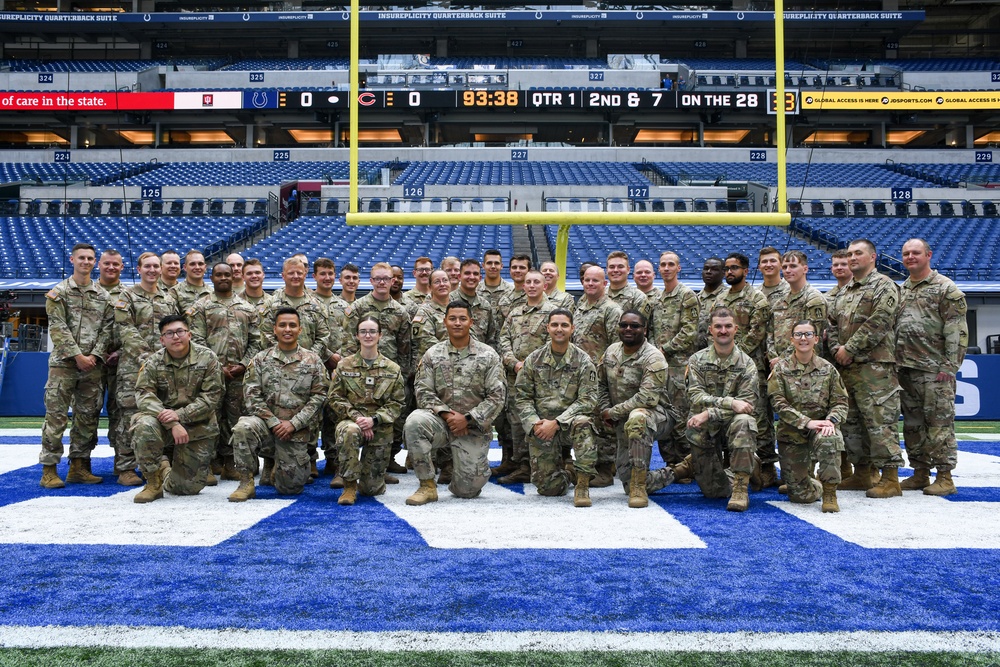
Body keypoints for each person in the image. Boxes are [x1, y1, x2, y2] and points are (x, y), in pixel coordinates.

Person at [404, 302, 506, 505]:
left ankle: (470, 467)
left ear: (471, 322)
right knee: (414, 421)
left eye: (462, 319)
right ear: (445, 322)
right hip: (441, 422)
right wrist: (447, 415)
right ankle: (427, 485)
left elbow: (497, 396)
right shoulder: (433, 354)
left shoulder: (488, 356)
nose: (457, 323)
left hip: (473, 428)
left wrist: (467, 419)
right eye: (452, 319)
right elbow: (423, 391)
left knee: (466, 490)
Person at [828, 239, 904, 498]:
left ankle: (891, 478)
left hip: (875, 369)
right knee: (851, 424)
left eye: (858, 253)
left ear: (873, 256)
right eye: (849, 254)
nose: (852, 258)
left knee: (880, 422)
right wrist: (837, 348)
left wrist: (849, 349)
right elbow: (830, 325)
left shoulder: (884, 285)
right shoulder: (844, 290)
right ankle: (862, 473)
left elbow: (880, 322)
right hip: (847, 369)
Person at [229, 308, 329, 500]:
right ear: (274, 329)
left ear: (300, 329)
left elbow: (319, 396)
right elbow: (252, 396)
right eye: (282, 325)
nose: (287, 329)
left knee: (290, 488)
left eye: (292, 325)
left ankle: (276, 465)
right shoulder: (260, 359)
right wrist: (274, 422)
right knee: (243, 427)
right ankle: (246, 482)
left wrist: (294, 423)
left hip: (296, 430)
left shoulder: (313, 360)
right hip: (267, 426)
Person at [38, 243, 114, 489]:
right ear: (72, 259)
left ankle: (79, 466)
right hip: (64, 365)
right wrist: (78, 356)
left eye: (90, 258)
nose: (86, 262)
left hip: (93, 366)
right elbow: (58, 329)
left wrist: (94, 355)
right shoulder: (58, 293)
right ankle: (49, 469)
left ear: (95, 263)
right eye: (81, 257)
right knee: (56, 417)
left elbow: (107, 330)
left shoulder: (103, 296)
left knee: (87, 417)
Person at [896, 238, 968, 496]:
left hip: (934, 370)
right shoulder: (902, 289)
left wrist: (950, 367)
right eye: (906, 254)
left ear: (928, 255)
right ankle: (920, 472)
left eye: (916, 252)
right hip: (906, 369)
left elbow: (957, 331)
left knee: (939, 425)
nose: (910, 257)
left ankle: (945, 476)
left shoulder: (945, 288)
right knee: (913, 425)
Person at [131, 315, 224, 503]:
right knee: (144, 424)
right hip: (163, 424)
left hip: (198, 424)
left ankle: (165, 468)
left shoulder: (208, 358)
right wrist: (173, 422)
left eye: (180, 331)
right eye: (169, 333)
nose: (176, 337)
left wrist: (180, 415)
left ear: (189, 334)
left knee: (186, 489)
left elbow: (211, 398)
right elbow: (143, 394)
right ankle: (152, 483)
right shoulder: (153, 362)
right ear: (162, 339)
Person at [515, 309, 598, 506]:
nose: (559, 329)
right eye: (554, 325)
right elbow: (522, 397)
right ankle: (569, 472)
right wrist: (535, 423)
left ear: (572, 329)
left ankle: (582, 485)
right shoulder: (534, 360)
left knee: (584, 423)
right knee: (548, 489)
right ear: (547, 328)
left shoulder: (583, 360)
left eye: (564, 325)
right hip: (543, 427)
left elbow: (588, 399)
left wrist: (558, 422)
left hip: (570, 424)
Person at [187, 262, 261, 481]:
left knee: (235, 418)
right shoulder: (201, 306)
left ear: (233, 276)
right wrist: (217, 366)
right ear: (212, 278)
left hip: (239, 374)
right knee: (208, 417)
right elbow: (197, 340)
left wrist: (243, 364)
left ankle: (231, 462)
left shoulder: (247, 307)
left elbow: (257, 341)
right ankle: (207, 465)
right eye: (218, 275)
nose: (223, 278)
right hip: (208, 374)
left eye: (227, 274)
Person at [683, 307, 759, 512]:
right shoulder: (697, 360)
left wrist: (710, 412)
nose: (723, 331)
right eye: (718, 326)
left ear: (736, 329)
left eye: (727, 326)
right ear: (710, 330)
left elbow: (747, 406)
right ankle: (753, 465)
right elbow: (696, 397)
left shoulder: (747, 364)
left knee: (744, 421)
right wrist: (730, 402)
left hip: (730, 423)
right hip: (706, 428)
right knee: (714, 492)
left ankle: (741, 489)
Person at [597, 310, 675, 508]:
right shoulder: (611, 351)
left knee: (638, 417)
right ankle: (681, 470)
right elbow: (601, 385)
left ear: (645, 329)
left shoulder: (653, 357)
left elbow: (647, 398)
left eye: (634, 326)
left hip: (657, 415)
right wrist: (605, 408)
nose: (628, 329)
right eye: (624, 325)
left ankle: (640, 486)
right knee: (626, 481)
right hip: (624, 418)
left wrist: (612, 413)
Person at [768, 320, 848, 512]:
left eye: (808, 334)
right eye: (798, 335)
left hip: (820, 429)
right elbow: (778, 403)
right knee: (799, 496)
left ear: (816, 339)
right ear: (792, 339)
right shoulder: (780, 369)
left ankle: (829, 492)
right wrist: (806, 422)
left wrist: (831, 421)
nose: (803, 338)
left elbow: (841, 402)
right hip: (793, 433)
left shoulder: (828, 369)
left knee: (831, 436)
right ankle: (812, 483)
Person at [712, 252, 776, 489]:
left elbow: (757, 333)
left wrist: (733, 356)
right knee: (728, 415)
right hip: (722, 370)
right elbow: (716, 331)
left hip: (751, 368)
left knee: (758, 418)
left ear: (746, 271)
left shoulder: (756, 299)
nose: (730, 272)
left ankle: (766, 467)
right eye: (727, 268)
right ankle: (734, 464)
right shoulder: (721, 298)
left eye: (735, 268)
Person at [114, 251, 178, 486]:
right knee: (129, 416)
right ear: (139, 269)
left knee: (161, 415)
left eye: (155, 266)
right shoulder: (127, 297)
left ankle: (156, 465)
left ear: (161, 269)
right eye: (147, 266)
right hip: (134, 369)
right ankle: (125, 467)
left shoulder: (168, 299)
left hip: (164, 369)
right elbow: (125, 329)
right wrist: (148, 358)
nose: (152, 270)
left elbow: (173, 331)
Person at [327, 316, 405, 505]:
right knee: (350, 431)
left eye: (372, 331)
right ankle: (349, 486)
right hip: (351, 421)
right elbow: (334, 397)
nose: (368, 335)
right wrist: (358, 418)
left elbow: (398, 403)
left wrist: (374, 420)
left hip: (379, 426)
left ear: (380, 335)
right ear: (357, 336)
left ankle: (371, 477)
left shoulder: (392, 369)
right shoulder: (344, 365)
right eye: (363, 331)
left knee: (371, 490)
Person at [498, 269, 554, 484]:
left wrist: (529, 366)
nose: (531, 285)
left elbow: (555, 343)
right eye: (528, 282)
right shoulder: (515, 313)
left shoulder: (552, 312)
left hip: (542, 377)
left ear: (544, 286)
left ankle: (542, 465)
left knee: (539, 419)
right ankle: (522, 465)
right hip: (516, 376)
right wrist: (513, 363)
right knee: (516, 420)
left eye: (536, 282)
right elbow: (504, 340)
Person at [572, 265, 623, 487]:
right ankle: (589, 465)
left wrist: (604, 373)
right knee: (587, 421)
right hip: (580, 375)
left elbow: (616, 345)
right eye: (587, 280)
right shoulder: (580, 307)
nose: (590, 284)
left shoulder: (612, 310)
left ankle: (605, 469)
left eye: (595, 281)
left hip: (601, 376)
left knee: (603, 422)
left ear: (605, 283)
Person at [649, 251, 699, 468]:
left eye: (671, 264)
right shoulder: (657, 299)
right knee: (663, 413)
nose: (666, 268)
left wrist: (665, 349)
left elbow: (690, 332)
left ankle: (687, 463)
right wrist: (653, 351)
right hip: (659, 367)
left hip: (679, 366)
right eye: (663, 265)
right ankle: (671, 462)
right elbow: (652, 330)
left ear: (679, 268)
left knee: (680, 416)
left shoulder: (687, 295)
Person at [311, 257, 349, 477]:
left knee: (335, 413)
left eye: (330, 273)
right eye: (322, 273)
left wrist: (340, 360)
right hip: (312, 368)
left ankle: (334, 458)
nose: (327, 278)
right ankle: (309, 460)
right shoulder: (307, 303)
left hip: (338, 369)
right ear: (314, 276)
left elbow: (350, 337)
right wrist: (327, 355)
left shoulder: (343, 307)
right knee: (312, 413)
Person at [767, 250, 828, 366]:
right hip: (777, 366)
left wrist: (783, 359)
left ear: (805, 269)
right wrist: (773, 357)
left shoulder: (814, 299)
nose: (788, 270)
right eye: (784, 267)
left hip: (805, 366)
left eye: (793, 266)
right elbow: (770, 333)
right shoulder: (779, 301)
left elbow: (811, 336)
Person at [93, 249, 124, 469]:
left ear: (122, 267)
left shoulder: (129, 294)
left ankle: (121, 461)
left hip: (120, 363)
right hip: (89, 363)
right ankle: (80, 463)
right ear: (99, 265)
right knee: (87, 413)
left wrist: (121, 353)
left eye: (115, 264)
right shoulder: (87, 291)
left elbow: (135, 328)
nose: (111, 267)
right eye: (107, 264)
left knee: (119, 412)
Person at [605, 251, 653, 322]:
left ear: (628, 270)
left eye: (620, 267)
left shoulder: (638, 298)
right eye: (612, 267)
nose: (615, 270)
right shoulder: (599, 294)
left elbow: (640, 328)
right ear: (607, 270)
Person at [169, 250, 211, 314]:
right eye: (192, 264)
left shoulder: (212, 292)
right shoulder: (174, 292)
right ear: (185, 267)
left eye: (200, 264)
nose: (197, 267)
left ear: (205, 267)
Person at [497, 254, 532, 322]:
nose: (517, 270)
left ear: (529, 271)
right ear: (510, 270)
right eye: (514, 267)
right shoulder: (504, 298)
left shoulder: (536, 296)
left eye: (522, 267)